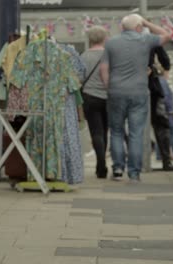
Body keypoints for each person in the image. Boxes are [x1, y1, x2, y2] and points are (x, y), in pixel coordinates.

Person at [100, 14, 170, 182]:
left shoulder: (110, 43)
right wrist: (146, 22)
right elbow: (166, 35)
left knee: (116, 131)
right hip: (139, 92)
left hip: (116, 91)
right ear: (138, 27)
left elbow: (103, 70)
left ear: (122, 27)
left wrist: (109, 87)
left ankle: (117, 169)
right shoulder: (145, 39)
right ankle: (134, 173)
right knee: (136, 133)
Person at [80, 26, 110, 179]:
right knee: (105, 131)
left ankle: (101, 165)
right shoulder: (109, 55)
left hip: (89, 97)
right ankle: (101, 164)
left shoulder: (83, 56)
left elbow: (78, 79)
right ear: (104, 38)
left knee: (96, 132)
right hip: (107, 98)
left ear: (89, 39)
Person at [148, 46, 173, 171]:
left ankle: (135, 164)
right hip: (153, 90)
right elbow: (166, 62)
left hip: (132, 89)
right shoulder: (151, 42)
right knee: (161, 126)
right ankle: (166, 160)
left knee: (134, 128)